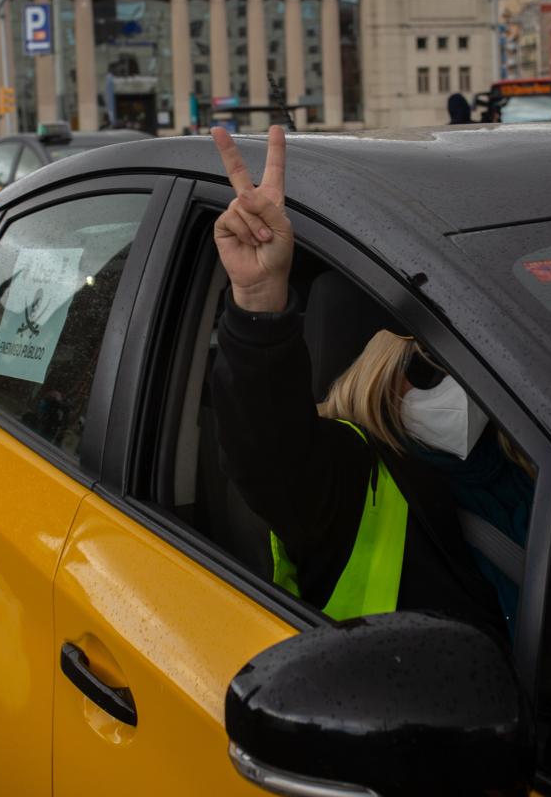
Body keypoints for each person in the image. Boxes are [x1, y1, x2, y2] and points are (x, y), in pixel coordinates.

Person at [207, 126, 530, 637]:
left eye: (472, 368)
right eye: (428, 367)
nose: (461, 390)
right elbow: (265, 446)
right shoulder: (348, 481)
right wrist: (259, 301)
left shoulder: (531, 455)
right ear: (377, 370)